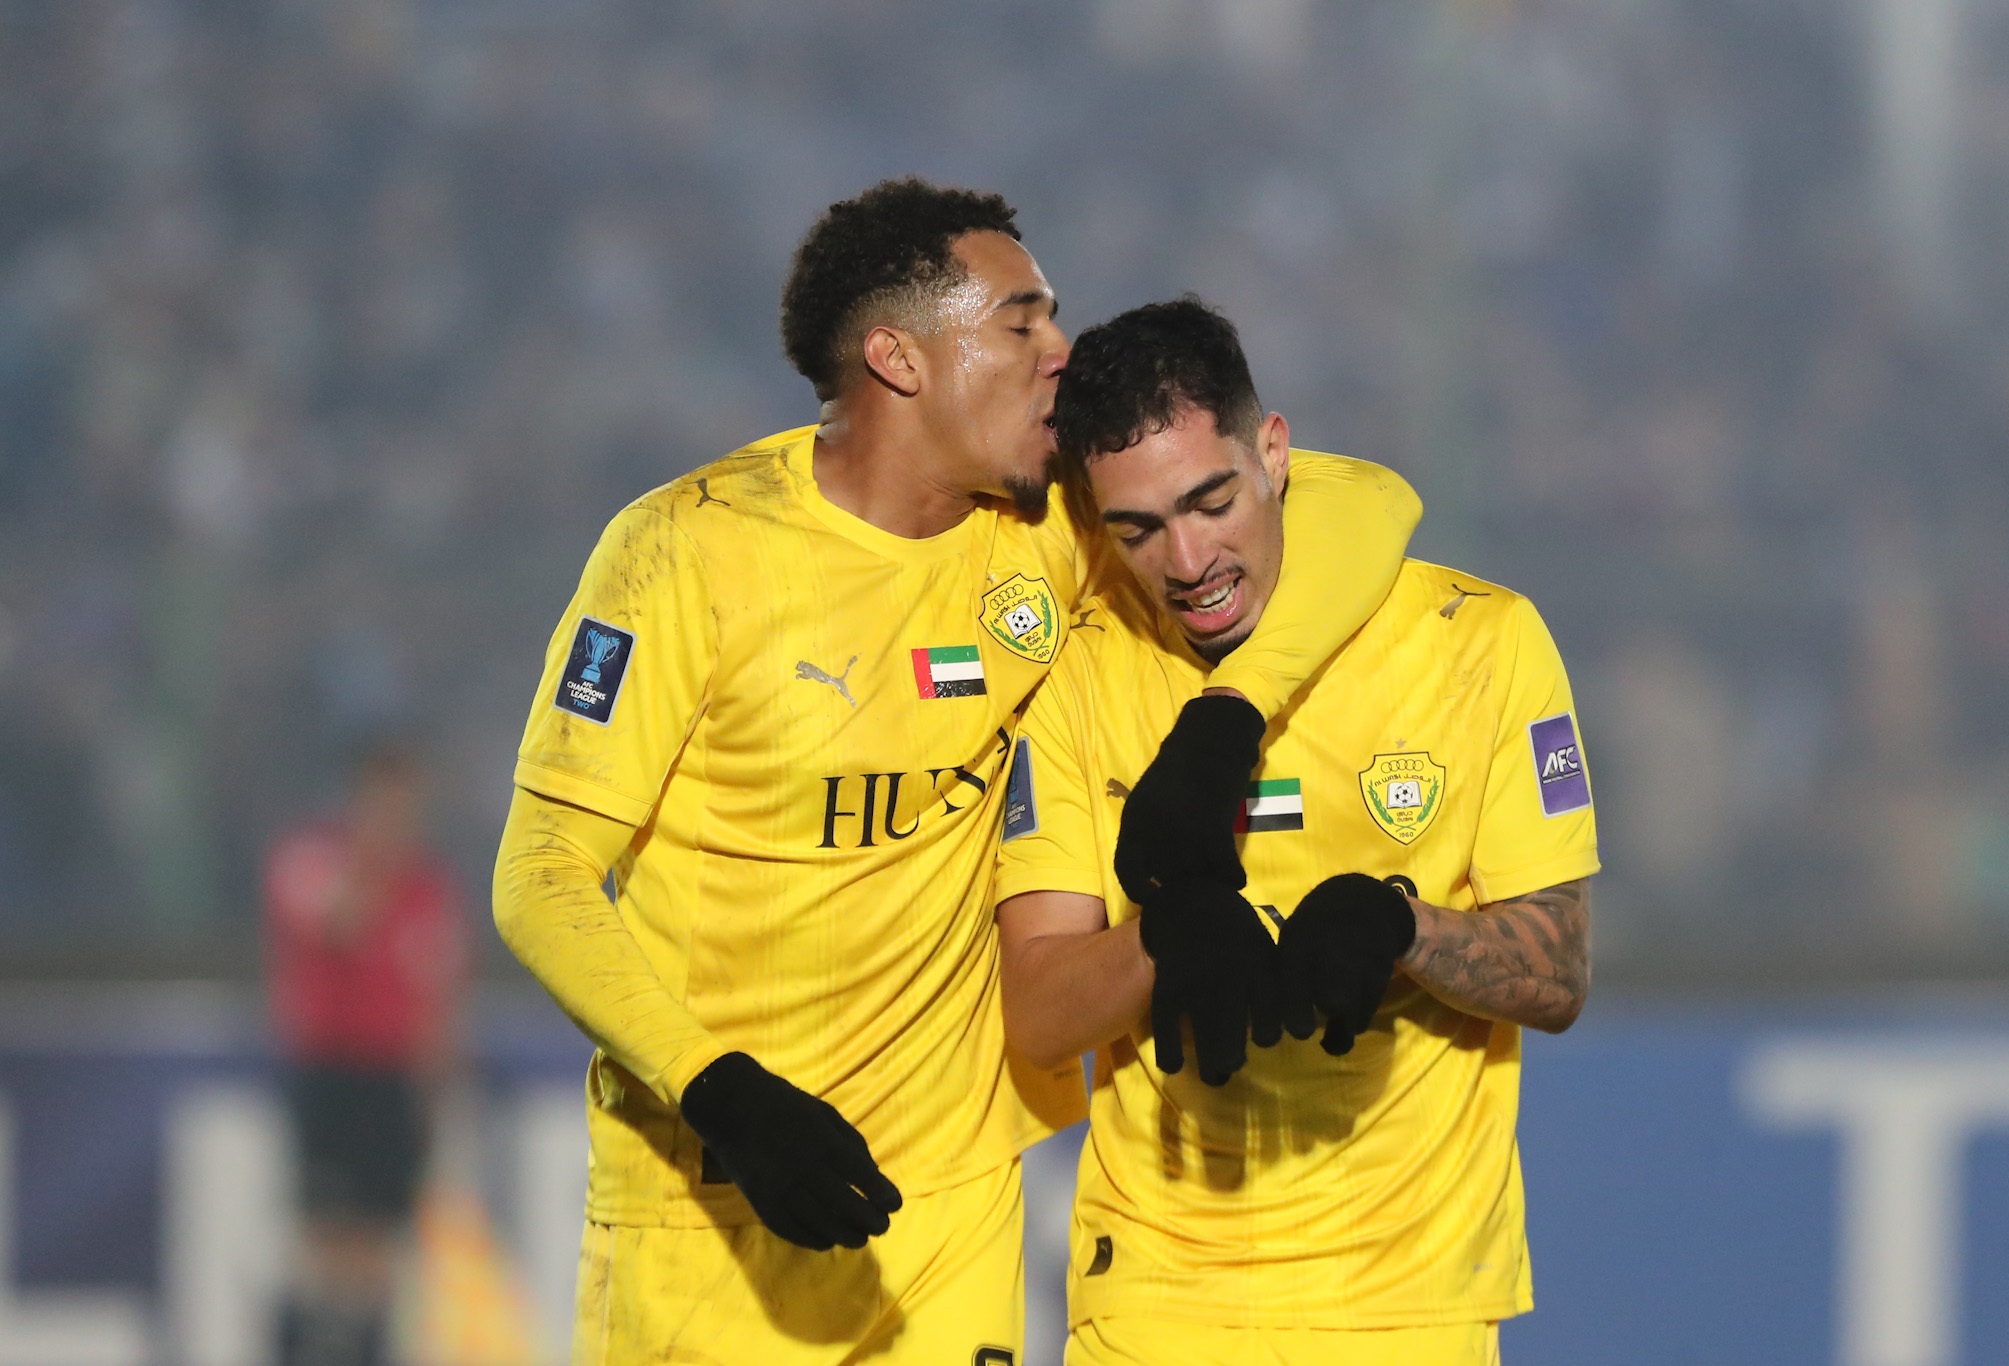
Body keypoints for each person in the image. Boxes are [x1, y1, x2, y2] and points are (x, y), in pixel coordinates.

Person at [490, 180, 1422, 1364]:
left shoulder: (1050, 529)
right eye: (1022, 321)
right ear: (899, 359)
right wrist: (717, 1087)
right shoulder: (685, 552)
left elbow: (1364, 499)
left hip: (952, 1213)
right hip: (715, 1194)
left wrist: (1226, 720)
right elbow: (541, 875)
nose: (1060, 351)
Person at [993, 297, 1599, 1366]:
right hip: (1156, 1296)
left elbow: (1557, 975)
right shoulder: (1078, 675)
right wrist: (1163, 944)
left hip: (1412, 1303)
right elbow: (1038, 1016)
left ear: (1273, 453)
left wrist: (1401, 931)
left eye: (1211, 501)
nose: (1188, 559)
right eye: (1137, 528)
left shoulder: (1481, 641)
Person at [264, 737, 466, 1366]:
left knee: (380, 1245)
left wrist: (434, 1099)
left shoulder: (430, 889)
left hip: (391, 1083)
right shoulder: (310, 860)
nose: (396, 819)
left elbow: (438, 1004)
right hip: (330, 1074)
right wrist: (375, 864)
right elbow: (339, 922)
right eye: (384, 803)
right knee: (323, 1238)